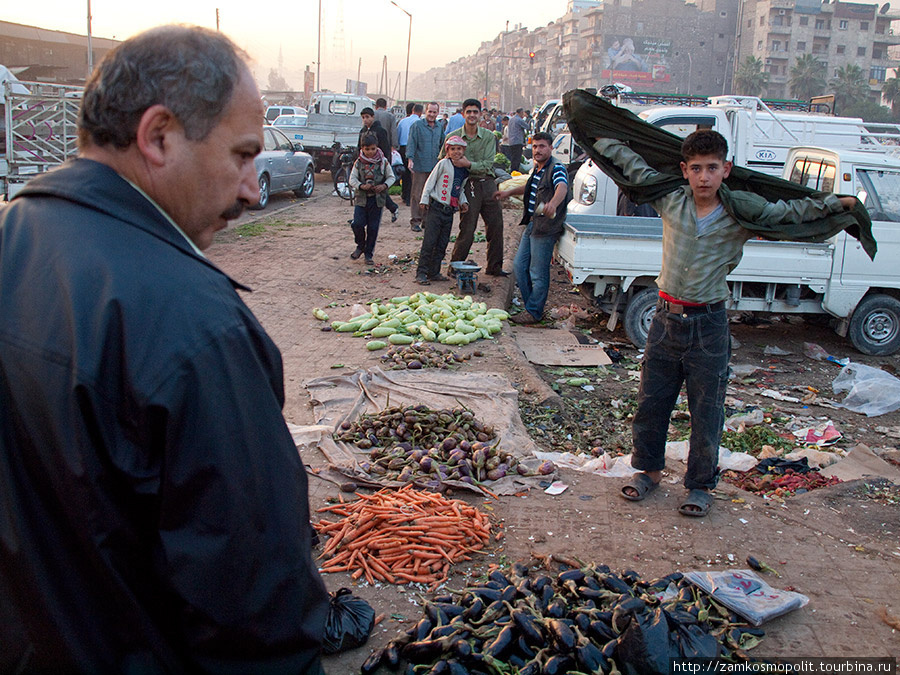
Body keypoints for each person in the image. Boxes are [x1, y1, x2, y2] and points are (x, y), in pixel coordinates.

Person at [0, 25, 329, 673]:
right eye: (241, 155)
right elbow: (257, 614)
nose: (252, 190)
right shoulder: (196, 324)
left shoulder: (12, 233)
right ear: (158, 136)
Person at [594, 129, 857, 517]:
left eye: (712, 168)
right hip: (665, 321)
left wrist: (835, 203)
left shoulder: (741, 212)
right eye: (696, 168)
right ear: (684, 170)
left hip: (709, 325)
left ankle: (699, 486)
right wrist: (600, 137)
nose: (704, 177)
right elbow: (636, 168)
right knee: (652, 403)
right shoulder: (670, 200)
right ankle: (648, 472)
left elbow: (788, 211)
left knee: (707, 410)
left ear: (726, 170)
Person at [494, 132, 569, 323]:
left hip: (545, 227)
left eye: (542, 146)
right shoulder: (538, 169)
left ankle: (534, 311)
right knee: (519, 267)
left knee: (537, 272)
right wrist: (509, 192)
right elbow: (529, 187)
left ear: (551, 148)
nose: (538, 150)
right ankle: (531, 308)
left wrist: (553, 203)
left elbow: (562, 187)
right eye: (535, 146)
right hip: (532, 223)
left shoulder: (556, 168)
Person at [442, 98, 508, 277]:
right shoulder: (452, 137)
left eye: (475, 112)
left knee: (496, 226)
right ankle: (455, 267)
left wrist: (467, 163)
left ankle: (494, 267)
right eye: (468, 112)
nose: (472, 115)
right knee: (468, 228)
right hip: (467, 185)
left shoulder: (488, 137)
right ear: (463, 114)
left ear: (480, 114)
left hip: (487, 183)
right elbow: (443, 161)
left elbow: (488, 164)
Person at [415, 135, 470, 285]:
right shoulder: (443, 164)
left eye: (459, 149)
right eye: (453, 149)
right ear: (447, 151)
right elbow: (430, 182)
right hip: (436, 208)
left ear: (463, 150)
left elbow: (460, 189)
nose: (456, 152)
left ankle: (434, 271)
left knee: (442, 243)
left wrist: (463, 202)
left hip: (449, 210)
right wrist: (424, 199)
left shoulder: (464, 171)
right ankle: (421, 272)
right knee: (429, 241)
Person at [349, 133, 396, 264]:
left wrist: (384, 186)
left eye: (373, 149)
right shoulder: (358, 163)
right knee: (357, 224)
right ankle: (360, 245)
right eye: (367, 149)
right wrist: (361, 186)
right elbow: (352, 179)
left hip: (377, 200)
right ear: (362, 148)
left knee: (373, 228)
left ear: (377, 148)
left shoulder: (383, 162)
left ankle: (368, 254)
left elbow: (391, 177)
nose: (370, 152)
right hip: (361, 199)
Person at [406, 101, 445, 233]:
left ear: (437, 113)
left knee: (431, 194)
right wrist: (410, 159)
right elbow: (411, 142)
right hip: (420, 165)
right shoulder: (417, 126)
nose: (432, 114)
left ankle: (427, 220)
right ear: (425, 112)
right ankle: (415, 220)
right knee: (417, 194)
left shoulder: (440, 126)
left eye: (434, 112)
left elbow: (443, 145)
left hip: (434, 166)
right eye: (430, 111)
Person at [359, 106, 398, 221]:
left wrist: (385, 165)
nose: (365, 120)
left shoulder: (380, 131)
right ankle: (360, 215)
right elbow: (359, 148)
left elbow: (386, 149)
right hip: (364, 165)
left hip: (379, 165)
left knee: (378, 190)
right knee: (365, 190)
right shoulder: (363, 131)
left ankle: (392, 208)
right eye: (363, 118)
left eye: (367, 117)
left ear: (373, 117)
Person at [397, 103, 422, 205]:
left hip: (403, 148)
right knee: (413, 173)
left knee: (405, 173)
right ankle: (409, 198)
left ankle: (404, 195)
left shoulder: (402, 121)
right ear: (420, 112)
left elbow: (398, 136)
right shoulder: (420, 122)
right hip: (414, 149)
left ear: (412, 110)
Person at [507, 108, 529, 173]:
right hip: (517, 141)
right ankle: (515, 172)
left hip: (511, 141)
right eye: (522, 113)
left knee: (513, 158)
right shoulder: (519, 120)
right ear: (520, 113)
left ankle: (512, 171)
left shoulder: (511, 119)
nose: (523, 115)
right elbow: (527, 126)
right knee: (517, 158)